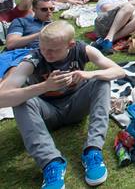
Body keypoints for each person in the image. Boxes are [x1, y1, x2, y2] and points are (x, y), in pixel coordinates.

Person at [0, 21, 126, 188]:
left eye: (53, 50)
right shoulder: (33, 59)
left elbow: (119, 71)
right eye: (43, 48)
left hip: (75, 106)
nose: (46, 53)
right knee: (21, 99)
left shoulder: (82, 50)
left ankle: (93, 150)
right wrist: (45, 86)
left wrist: (88, 74)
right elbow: (2, 98)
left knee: (101, 82)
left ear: (70, 45)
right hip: (47, 113)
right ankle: (51, 163)